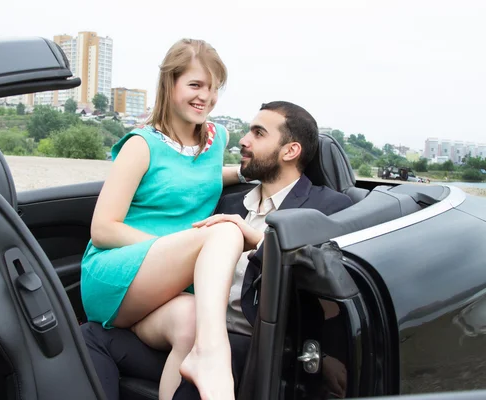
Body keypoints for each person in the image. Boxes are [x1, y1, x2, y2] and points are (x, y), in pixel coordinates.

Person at [81, 100, 354, 399]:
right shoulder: (228, 204)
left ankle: (209, 358)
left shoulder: (327, 208)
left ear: (290, 151)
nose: (244, 141)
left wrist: (261, 243)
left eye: (258, 133)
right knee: (88, 337)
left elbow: (336, 282)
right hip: (192, 326)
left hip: (254, 342)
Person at [80, 38, 245, 400]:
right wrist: (171, 250)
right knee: (224, 231)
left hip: (170, 283)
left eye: (214, 88)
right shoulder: (141, 145)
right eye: (196, 85)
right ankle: (214, 357)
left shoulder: (216, 140)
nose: (207, 97)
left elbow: (205, 175)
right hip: (118, 272)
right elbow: (103, 229)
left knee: (190, 321)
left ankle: (194, 363)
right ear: (170, 84)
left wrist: (252, 172)